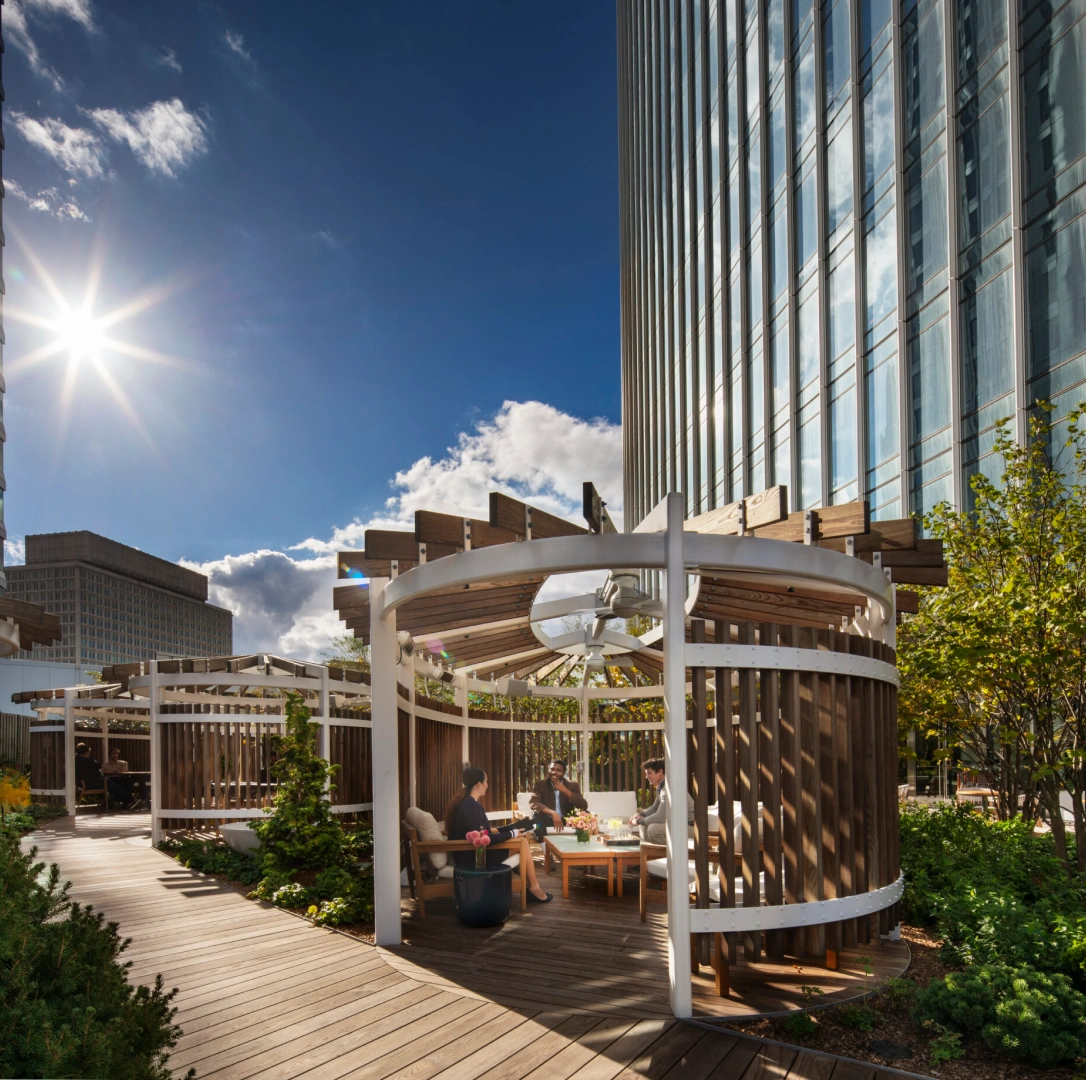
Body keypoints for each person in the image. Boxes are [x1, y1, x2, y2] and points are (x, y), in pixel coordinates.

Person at [445, 765, 552, 903]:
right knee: (522, 844)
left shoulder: (467, 803)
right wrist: (512, 833)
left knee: (520, 842)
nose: (487, 785)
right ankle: (534, 888)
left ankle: (530, 887)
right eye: (486, 781)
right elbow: (483, 838)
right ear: (479, 784)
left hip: (473, 851)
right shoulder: (470, 806)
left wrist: (507, 831)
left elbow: (481, 831)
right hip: (473, 856)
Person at [629, 758, 693, 844]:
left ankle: (674, 855)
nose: (646, 777)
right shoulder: (662, 787)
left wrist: (638, 821)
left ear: (660, 772)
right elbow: (655, 808)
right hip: (678, 825)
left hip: (690, 826)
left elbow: (660, 817)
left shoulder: (669, 789)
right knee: (644, 826)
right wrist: (640, 815)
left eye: (649, 773)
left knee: (653, 829)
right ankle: (650, 853)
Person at [528, 759, 588, 833]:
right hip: (547, 819)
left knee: (587, 814)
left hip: (567, 820)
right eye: (552, 769)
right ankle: (543, 843)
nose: (554, 772)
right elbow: (534, 802)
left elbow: (583, 806)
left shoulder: (572, 785)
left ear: (563, 773)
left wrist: (565, 791)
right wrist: (552, 813)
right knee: (537, 817)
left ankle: (582, 841)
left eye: (558, 770)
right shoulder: (540, 785)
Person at [75, 743, 131, 809]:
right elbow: (98, 764)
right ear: (86, 752)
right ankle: (130, 800)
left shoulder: (75, 760)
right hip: (91, 784)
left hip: (82, 783)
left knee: (112, 784)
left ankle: (124, 801)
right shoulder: (87, 761)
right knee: (113, 785)